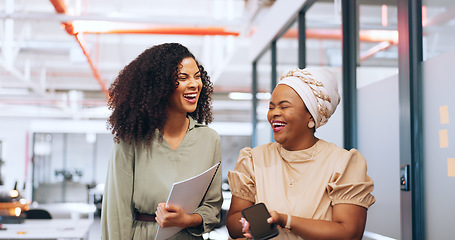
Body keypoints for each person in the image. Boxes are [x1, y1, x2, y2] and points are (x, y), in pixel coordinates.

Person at [226, 67, 375, 240]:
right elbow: (233, 221)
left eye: (284, 106)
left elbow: (349, 232)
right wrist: (247, 224)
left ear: (311, 117)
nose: (274, 113)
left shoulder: (342, 164)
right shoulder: (253, 159)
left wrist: (286, 220)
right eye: (271, 107)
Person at [101, 43, 223, 239]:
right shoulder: (131, 138)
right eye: (183, 78)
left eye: (197, 76)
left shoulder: (209, 139)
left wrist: (187, 220)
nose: (194, 84)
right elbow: (117, 212)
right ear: (159, 86)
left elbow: (212, 207)